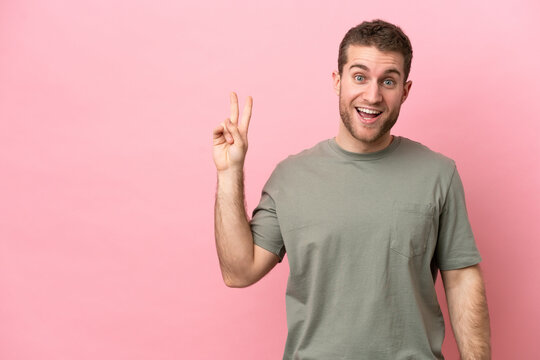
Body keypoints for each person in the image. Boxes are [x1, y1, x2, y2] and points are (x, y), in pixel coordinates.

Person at [212, 19, 491, 360]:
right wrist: (229, 172)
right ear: (337, 80)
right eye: (359, 77)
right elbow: (238, 272)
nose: (372, 96)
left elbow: (462, 279)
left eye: (388, 81)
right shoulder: (291, 177)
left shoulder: (438, 173)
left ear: (405, 90)